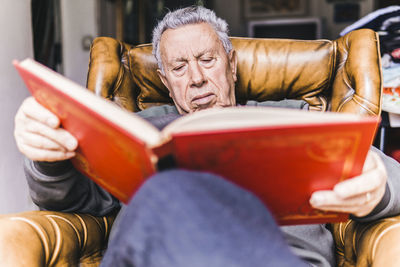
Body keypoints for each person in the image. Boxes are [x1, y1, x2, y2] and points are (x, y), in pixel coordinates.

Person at [14, 6, 400, 267]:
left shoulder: (295, 118)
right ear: (165, 81)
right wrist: (49, 155)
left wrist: (375, 182)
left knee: (166, 190)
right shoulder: (138, 132)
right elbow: (73, 199)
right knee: (164, 190)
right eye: (179, 67)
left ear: (231, 65)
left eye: (207, 59)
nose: (196, 78)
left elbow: (388, 181)